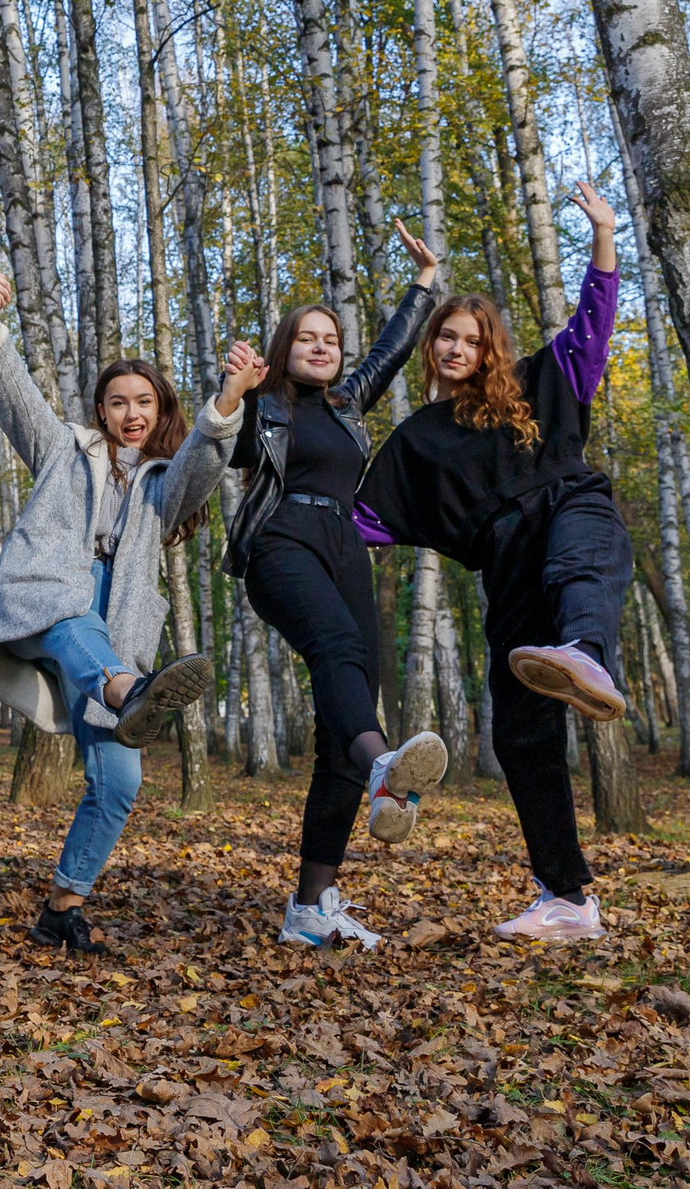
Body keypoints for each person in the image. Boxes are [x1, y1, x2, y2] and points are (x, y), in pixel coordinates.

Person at [359, 183, 630, 943]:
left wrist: (603, 235)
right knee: (518, 733)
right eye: (446, 334)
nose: (456, 348)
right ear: (432, 343)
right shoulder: (414, 441)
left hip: (570, 507)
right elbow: (361, 520)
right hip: (505, 567)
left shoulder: (542, 384)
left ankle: (586, 654)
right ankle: (568, 897)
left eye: (473, 339)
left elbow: (594, 324)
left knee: (579, 564)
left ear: (491, 349)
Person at [0, 271, 230, 952]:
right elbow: (17, 399)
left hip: (120, 632)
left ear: (160, 408)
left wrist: (228, 401)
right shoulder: (65, 450)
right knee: (78, 619)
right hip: (51, 600)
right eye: (117, 401)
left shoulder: (164, 482)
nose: (130, 412)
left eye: (143, 401)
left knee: (120, 782)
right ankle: (123, 689)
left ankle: (62, 906)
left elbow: (202, 467)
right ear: (101, 410)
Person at [224, 222, 446, 951]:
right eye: (307, 338)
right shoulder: (264, 403)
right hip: (281, 541)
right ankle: (385, 764)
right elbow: (215, 440)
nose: (322, 347)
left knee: (340, 728)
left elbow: (392, 351)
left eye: (331, 339)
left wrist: (423, 283)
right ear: (284, 347)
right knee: (338, 648)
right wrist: (234, 387)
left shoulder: (348, 404)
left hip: (346, 550)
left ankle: (310, 906)